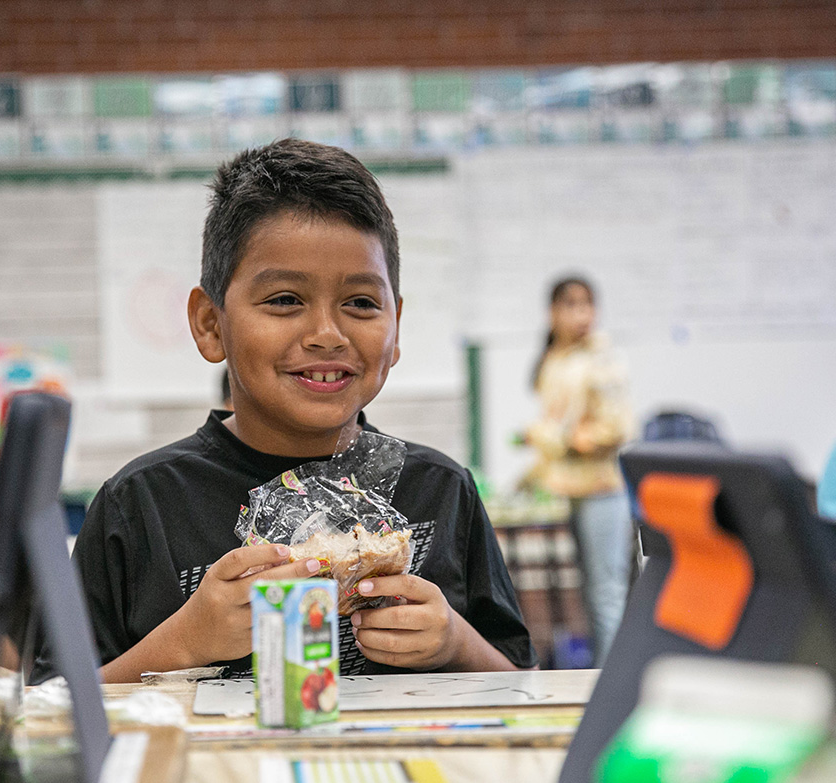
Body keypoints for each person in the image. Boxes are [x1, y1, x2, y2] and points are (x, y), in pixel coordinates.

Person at [70, 139, 536, 682]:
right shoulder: (139, 505)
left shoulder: (440, 490)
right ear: (210, 324)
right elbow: (53, 709)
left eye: (361, 303)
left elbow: (524, 684)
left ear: (397, 326)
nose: (327, 335)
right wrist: (182, 642)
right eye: (285, 300)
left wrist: (454, 642)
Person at [524, 276, 635, 668]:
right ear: (552, 312)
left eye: (588, 304)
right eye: (570, 305)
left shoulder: (601, 358)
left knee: (606, 595)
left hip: (603, 489)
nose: (581, 315)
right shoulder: (555, 357)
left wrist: (558, 440)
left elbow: (617, 429)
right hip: (567, 487)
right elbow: (555, 422)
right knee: (585, 594)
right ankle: (598, 680)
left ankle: (613, 685)